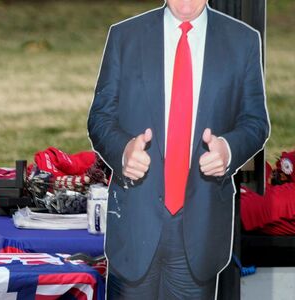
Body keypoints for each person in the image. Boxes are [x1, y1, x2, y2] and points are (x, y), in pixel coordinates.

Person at [87, 0, 269, 298]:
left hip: (202, 227)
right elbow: (100, 118)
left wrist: (227, 149)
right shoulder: (125, 36)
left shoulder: (243, 41)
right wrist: (122, 152)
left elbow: (255, 122)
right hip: (135, 224)